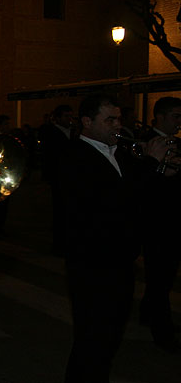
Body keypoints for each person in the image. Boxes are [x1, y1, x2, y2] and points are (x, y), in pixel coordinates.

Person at [58, 94, 171, 383]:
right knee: (92, 339)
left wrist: (157, 169)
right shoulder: (74, 156)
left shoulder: (120, 152)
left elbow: (140, 196)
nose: (117, 125)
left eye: (118, 118)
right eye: (109, 119)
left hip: (121, 260)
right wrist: (149, 163)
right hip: (91, 263)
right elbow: (113, 200)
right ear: (86, 121)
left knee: (110, 338)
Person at [138, 96, 181, 352]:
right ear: (160, 117)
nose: (179, 122)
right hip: (155, 220)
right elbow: (141, 184)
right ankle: (162, 331)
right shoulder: (144, 143)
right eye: (176, 116)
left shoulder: (178, 144)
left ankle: (148, 313)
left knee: (165, 273)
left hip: (174, 218)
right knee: (160, 277)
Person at [38, 104, 73, 256]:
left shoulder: (72, 132)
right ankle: (59, 244)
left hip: (70, 177)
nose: (69, 120)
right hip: (59, 177)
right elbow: (50, 157)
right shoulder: (52, 132)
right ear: (58, 118)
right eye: (66, 116)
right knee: (60, 211)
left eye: (70, 116)